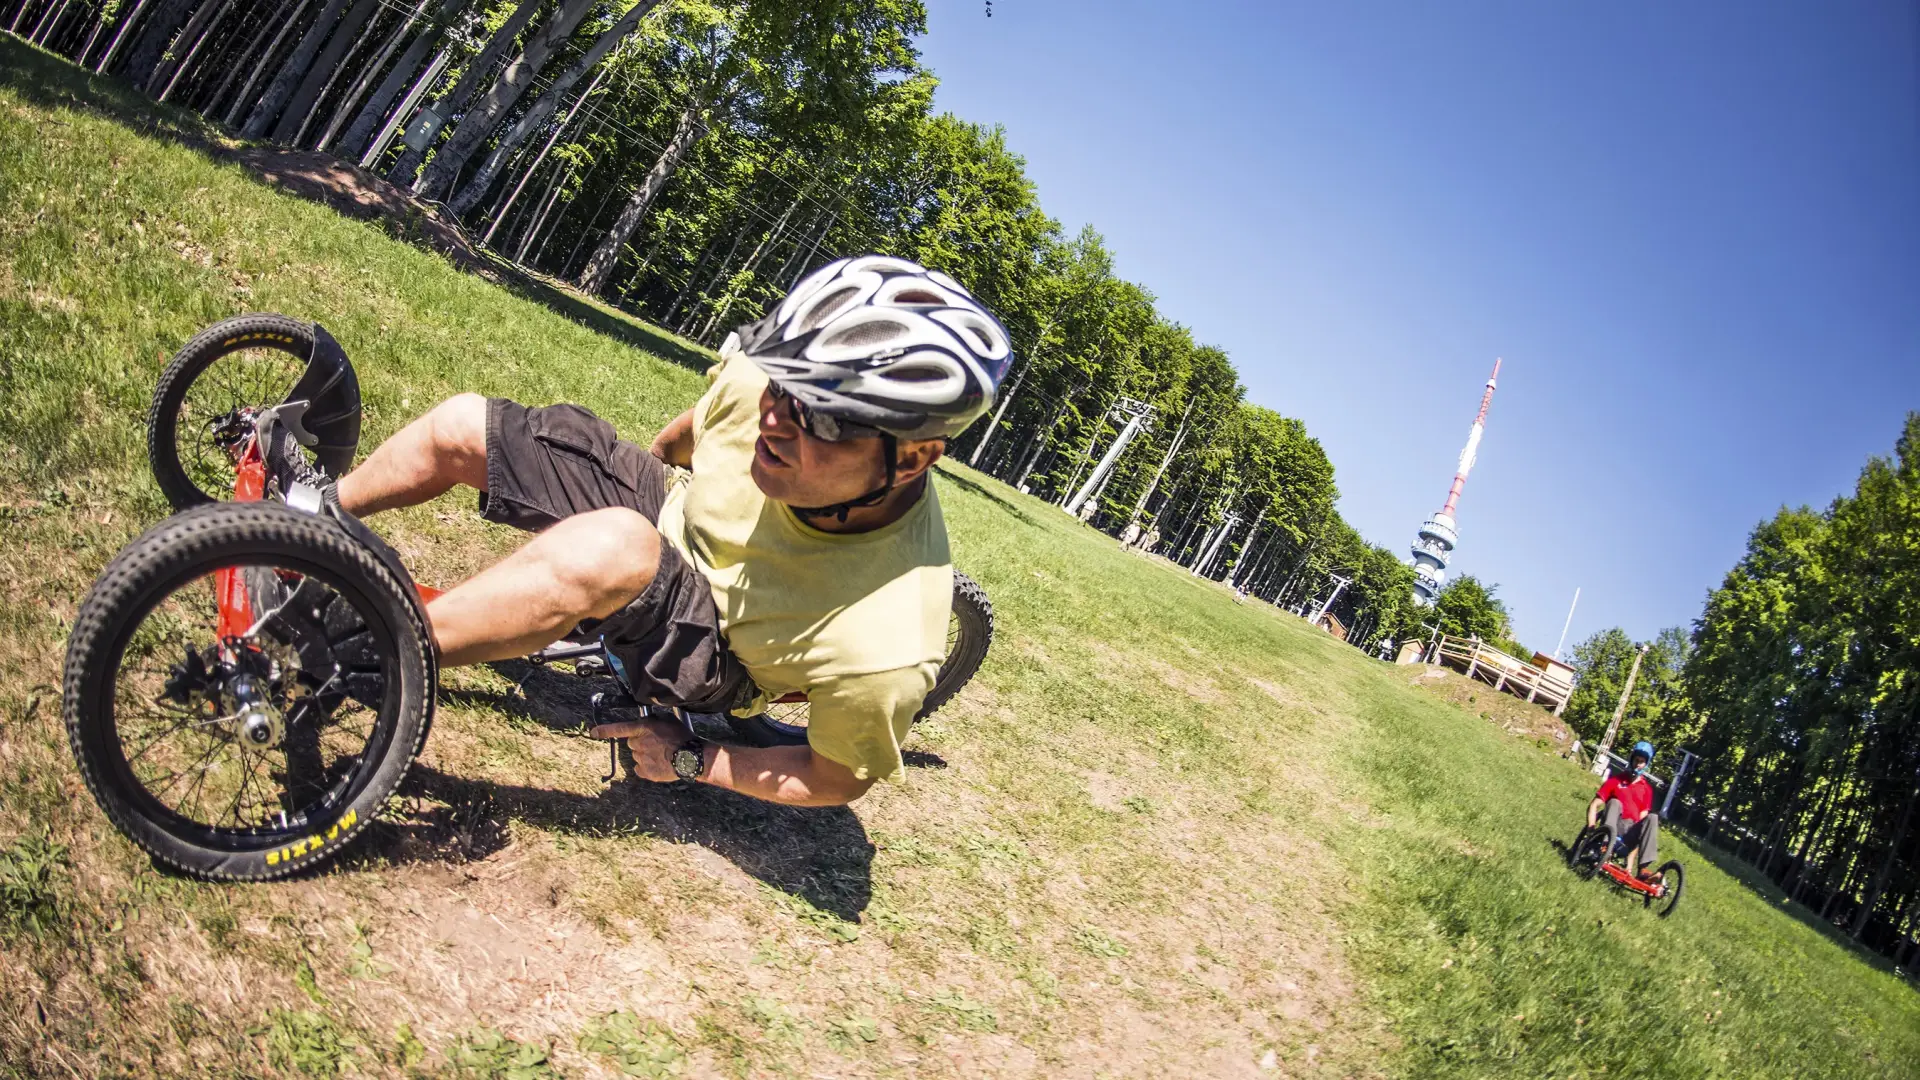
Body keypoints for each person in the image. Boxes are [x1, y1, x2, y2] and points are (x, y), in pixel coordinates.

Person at [319, 255, 1012, 806]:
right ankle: (310, 518)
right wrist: (610, 494)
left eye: (823, 417)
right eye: (782, 386)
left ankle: (348, 651)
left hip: (719, 653)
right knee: (464, 426)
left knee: (616, 547)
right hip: (665, 515)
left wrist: (692, 759)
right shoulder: (760, 393)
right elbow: (682, 439)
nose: (774, 419)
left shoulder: (888, 640)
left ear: (912, 458)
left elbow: (834, 779)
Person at [1587, 740, 1662, 882]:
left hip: (1630, 834)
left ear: (1646, 764)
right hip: (1613, 824)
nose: (1638, 764)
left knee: (1652, 818)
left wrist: (1629, 865)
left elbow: (1642, 827)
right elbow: (1594, 805)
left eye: (1642, 762)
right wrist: (1591, 829)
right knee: (1615, 802)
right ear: (1631, 760)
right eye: (1636, 760)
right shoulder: (1616, 780)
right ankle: (1605, 846)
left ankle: (1643, 869)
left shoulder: (1646, 789)